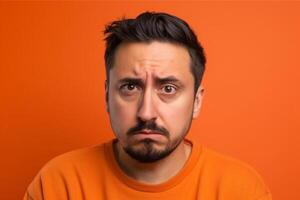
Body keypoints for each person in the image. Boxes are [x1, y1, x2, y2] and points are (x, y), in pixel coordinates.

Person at [23, 11, 272, 200]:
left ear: (197, 102)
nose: (146, 113)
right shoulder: (59, 184)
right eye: (130, 87)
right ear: (107, 96)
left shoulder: (241, 189)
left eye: (168, 89)